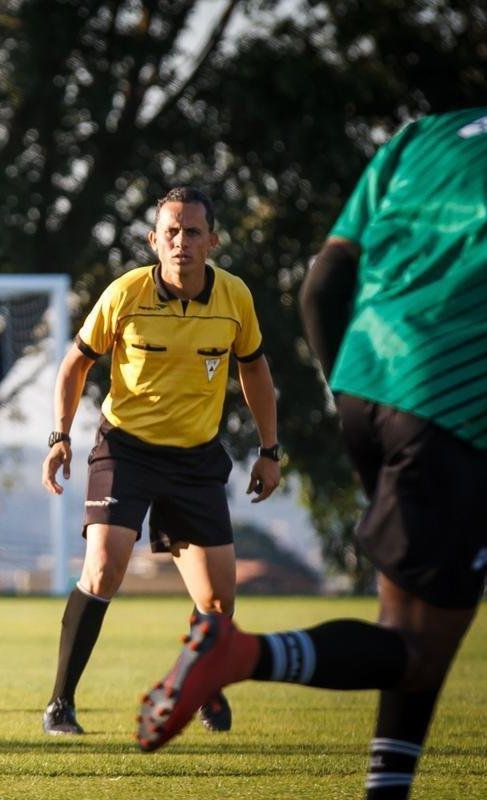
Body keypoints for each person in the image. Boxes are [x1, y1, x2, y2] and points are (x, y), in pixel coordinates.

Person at [136, 108, 487, 799]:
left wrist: (353, 407)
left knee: (414, 631)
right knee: (419, 645)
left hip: (368, 378)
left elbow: (322, 284)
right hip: (458, 399)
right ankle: (237, 653)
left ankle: (385, 786)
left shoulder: (424, 136)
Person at [40, 187, 282, 736]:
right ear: (154, 240)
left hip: (196, 459)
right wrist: (58, 435)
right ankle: (60, 704)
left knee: (218, 599)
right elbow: (74, 365)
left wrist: (269, 451)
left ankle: (197, 688)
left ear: (212, 241)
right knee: (104, 566)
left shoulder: (235, 298)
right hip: (125, 449)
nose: (181, 242)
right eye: (170, 232)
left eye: (193, 232)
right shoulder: (125, 293)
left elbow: (256, 371)